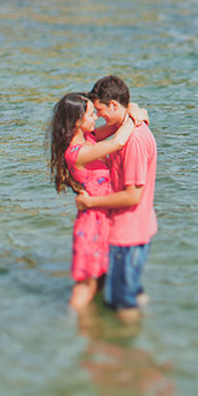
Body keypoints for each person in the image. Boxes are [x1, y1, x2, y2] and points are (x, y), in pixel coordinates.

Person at [46, 92, 145, 312]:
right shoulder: (76, 153)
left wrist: (135, 110)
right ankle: (69, 328)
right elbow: (119, 141)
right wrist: (138, 118)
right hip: (92, 223)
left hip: (104, 218)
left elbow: (117, 122)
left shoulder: (89, 137)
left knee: (100, 281)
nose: (97, 118)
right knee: (86, 285)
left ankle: (92, 331)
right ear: (77, 122)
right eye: (92, 114)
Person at [77, 75, 158, 325]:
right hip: (136, 227)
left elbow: (133, 196)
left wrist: (89, 203)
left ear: (113, 105)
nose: (99, 116)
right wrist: (134, 110)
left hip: (127, 233)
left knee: (123, 301)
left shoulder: (133, 141)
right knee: (132, 291)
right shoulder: (127, 125)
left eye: (100, 110)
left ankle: (128, 355)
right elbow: (108, 132)